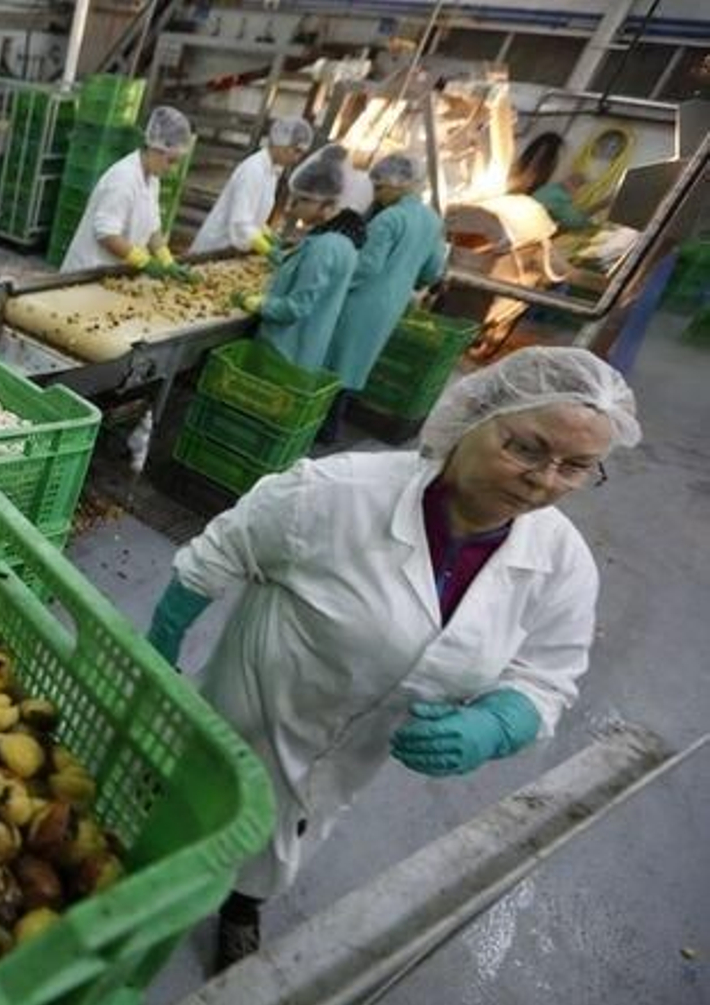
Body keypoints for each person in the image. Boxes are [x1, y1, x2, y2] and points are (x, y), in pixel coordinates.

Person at [148, 347, 640, 971]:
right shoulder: (336, 494)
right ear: (475, 414)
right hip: (246, 715)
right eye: (526, 448)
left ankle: (242, 906)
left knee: (286, 838)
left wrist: (499, 723)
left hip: (350, 758)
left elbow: (547, 676)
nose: (544, 481)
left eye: (577, 467)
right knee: (173, 821)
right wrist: (158, 649)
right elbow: (218, 553)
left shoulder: (562, 564)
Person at [318, 154, 448, 442]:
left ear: (399, 184)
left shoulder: (389, 219)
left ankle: (324, 428)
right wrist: (407, 279)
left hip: (360, 304)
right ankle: (333, 424)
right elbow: (432, 270)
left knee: (335, 364)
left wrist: (329, 282)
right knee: (355, 364)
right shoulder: (432, 220)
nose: (376, 195)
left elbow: (366, 267)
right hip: (392, 305)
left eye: (380, 188)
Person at [235, 145, 364, 372]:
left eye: (302, 200)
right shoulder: (344, 241)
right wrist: (285, 258)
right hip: (305, 347)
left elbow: (296, 307)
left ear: (327, 205)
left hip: (285, 351)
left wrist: (257, 303)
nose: (291, 208)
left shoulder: (324, 247)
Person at [61, 106, 193, 274]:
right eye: (171, 161)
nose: (172, 169)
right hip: (88, 271)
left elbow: (153, 228)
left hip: (114, 272)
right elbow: (107, 234)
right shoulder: (123, 179)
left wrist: (167, 261)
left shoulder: (153, 179)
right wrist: (145, 262)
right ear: (155, 148)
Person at [189, 116, 312, 256]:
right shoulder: (253, 170)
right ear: (281, 142)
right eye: (296, 151)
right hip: (214, 248)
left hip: (229, 249)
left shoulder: (272, 172)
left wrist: (269, 236)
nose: (297, 158)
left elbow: (253, 216)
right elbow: (241, 224)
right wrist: (269, 251)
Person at [509, 132, 592, 231]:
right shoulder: (552, 193)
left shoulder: (551, 194)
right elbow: (577, 222)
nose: (528, 177)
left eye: (535, 169)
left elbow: (575, 221)